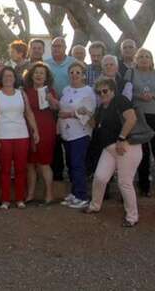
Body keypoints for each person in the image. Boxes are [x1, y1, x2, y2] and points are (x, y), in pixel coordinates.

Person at [85, 77, 143, 227]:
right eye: (98, 92)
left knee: (124, 182)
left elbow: (131, 119)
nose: (102, 94)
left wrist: (121, 138)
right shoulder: (101, 108)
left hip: (125, 147)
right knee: (100, 177)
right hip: (110, 149)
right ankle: (95, 205)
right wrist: (85, 112)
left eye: (105, 91)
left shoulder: (120, 100)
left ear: (112, 90)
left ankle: (132, 217)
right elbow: (94, 124)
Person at [0, 67, 39, 210]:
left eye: (10, 76)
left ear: (15, 78)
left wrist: (35, 130)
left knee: (21, 169)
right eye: (5, 76)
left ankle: (19, 199)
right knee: (4, 170)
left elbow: (29, 113)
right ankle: (5, 200)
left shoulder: (21, 94)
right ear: (1, 78)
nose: (8, 79)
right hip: (3, 136)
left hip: (22, 135)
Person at [131, 48, 155, 198]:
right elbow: (127, 93)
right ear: (136, 59)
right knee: (143, 153)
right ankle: (144, 187)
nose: (144, 59)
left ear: (152, 59)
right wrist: (139, 96)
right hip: (139, 116)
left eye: (147, 56)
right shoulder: (131, 73)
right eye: (141, 56)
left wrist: (153, 95)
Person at [57, 61, 96, 209]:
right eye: (72, 72)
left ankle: (82, 196)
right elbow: (61, 106)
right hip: (66, 132)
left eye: (78, 72)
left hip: (80, 133)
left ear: (84, 76)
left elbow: (88, 111)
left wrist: (70, 114)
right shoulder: (66, 89)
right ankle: (74, 193)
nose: (74, 75)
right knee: (71, 164)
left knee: (78, 164)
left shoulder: (88, 91)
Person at [23, 62, 59, 204]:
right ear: (31, 75)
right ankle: (30, 195)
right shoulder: (25, 91)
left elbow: (56, 107)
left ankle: (49, 195)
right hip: (27, 129)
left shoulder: (50, 91)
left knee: (44, 163)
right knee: (30, 163)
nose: (38, 75)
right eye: (36, 72)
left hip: (45, 128)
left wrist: (51, 99)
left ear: (46, 77)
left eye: (41, 73)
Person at [46, 37, 75, 182]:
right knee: (55, 142)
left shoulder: (73, 62)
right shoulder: (46, 63)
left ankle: (72, 175)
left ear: (65, 47)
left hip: (69, 108)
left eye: (59, 46)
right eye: (54, 46)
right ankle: (57, 176)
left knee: (69, 141)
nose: (56, 48)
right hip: (51, 108)